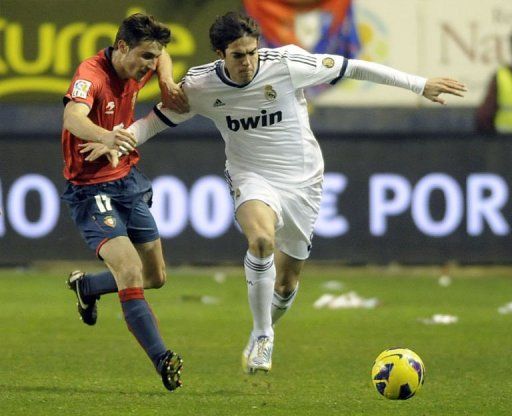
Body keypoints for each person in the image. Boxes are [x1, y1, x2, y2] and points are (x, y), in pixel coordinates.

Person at [81, 11, 466, 374]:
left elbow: (355, 67)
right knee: (261, 240)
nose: (247, 62)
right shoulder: (201, 85)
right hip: (251, 176)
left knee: (286, 283)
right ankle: (264, 334)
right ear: (220, 54)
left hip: (303, 181)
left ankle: (262, 326)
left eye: (251, 52)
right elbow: (155, 122)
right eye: (237, 56)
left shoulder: (286, 64)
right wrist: (120, 140)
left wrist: (420, 84)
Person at [60, 13, 188, 391]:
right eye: (145, 57)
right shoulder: (92, 74)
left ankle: (88, 288)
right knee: (130, 270)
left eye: (154, 57)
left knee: (155, 277)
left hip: (128, 182)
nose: (149, 64)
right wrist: (108, 136)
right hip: (90, 189)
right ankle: (162, 358)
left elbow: (162, 58)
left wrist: (164, 77)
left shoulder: (139, 65)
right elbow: (72, 116)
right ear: (121, 47)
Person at [476, 33, 512, 134]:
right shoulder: (501, 76)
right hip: (504, 142)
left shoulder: (500, 76)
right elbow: (485, 115)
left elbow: (484, 116)